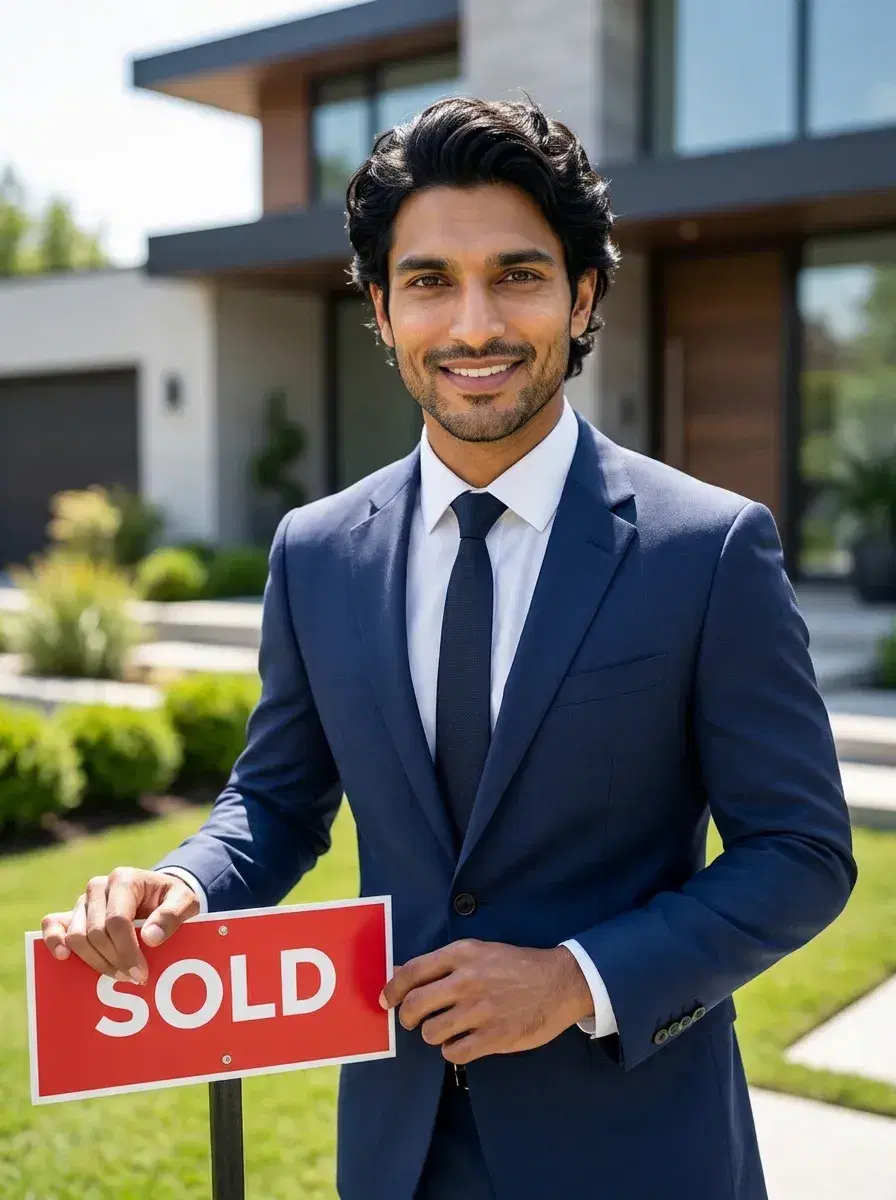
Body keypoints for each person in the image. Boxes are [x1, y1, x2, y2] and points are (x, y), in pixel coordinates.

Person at [41, 97, 856, 1200]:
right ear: (380, 309)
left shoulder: (705, 549)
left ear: (580, 297)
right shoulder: (316, 551)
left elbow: (799, 852)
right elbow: (275, 806)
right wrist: (182, 882)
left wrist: (573, 980)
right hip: (397, 1150)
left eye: (515, 275)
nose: (472, 324)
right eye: (428, 281)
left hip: (637, 1152)